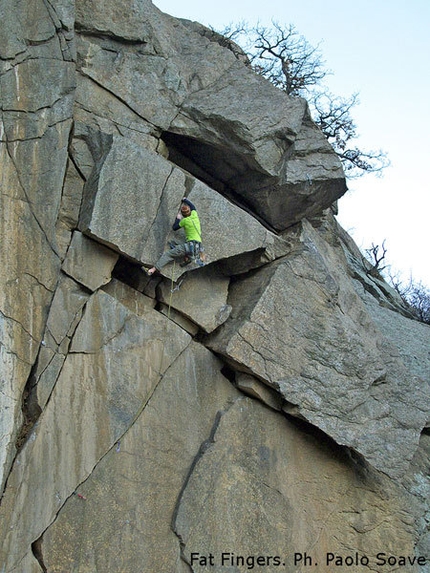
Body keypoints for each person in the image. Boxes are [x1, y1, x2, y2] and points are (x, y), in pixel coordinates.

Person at [146, 197, 204, 275]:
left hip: (188, 246)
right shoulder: (195, 215)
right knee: (173, 242)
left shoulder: (184, 221)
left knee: (168, 255)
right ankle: (188, 257)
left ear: (183, 215)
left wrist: (178, 218)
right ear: (190, 211)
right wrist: (185, 200)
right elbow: (193, 206)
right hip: (197, 246)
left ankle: (152, 270)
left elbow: (174, 227)